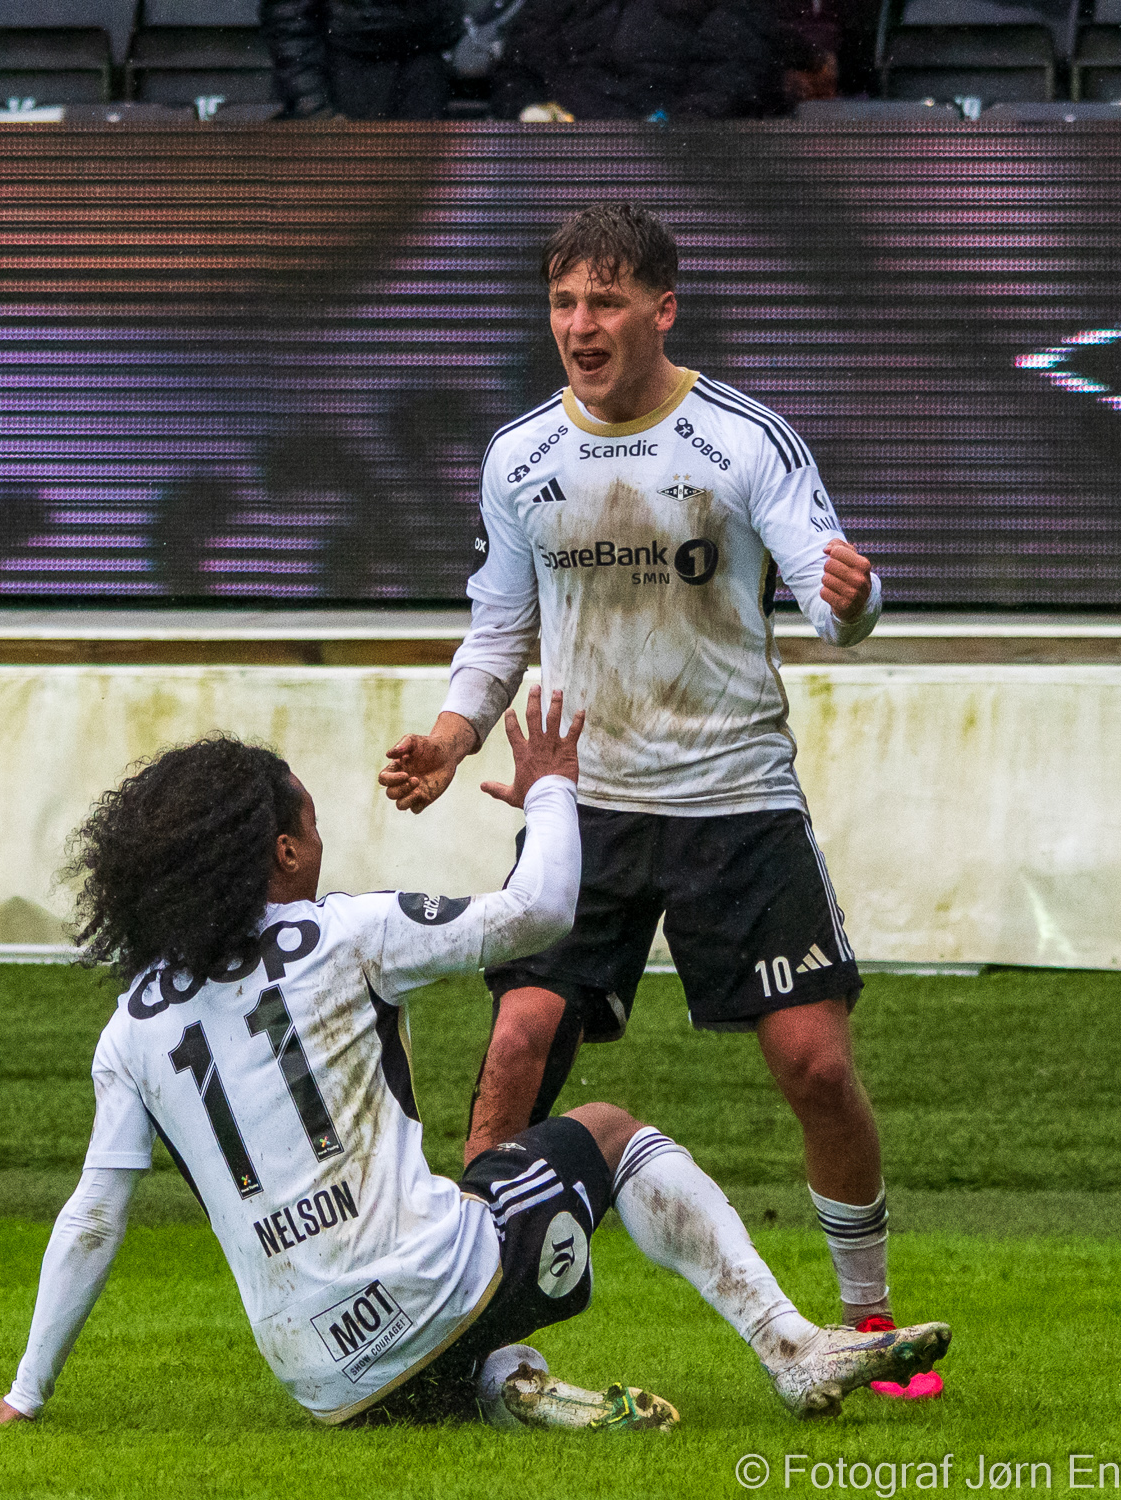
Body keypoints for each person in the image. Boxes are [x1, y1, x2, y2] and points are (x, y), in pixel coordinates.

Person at [0, 688, 949, 1434]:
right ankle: (791, 1347)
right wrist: (552, 794)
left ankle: (512, 1390)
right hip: (432, 1294)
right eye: (311, 824)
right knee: (608, 1132)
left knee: (457, 1235)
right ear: (282, 854)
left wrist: (22, 1397)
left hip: (319, 1378)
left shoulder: (132, 1025)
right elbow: (540, 911)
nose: (320, 841)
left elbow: (95, 1215)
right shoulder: (345, 933)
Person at [379, 202, 942, 1400]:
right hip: (584, 805)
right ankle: (461, 1329)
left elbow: (831, 595)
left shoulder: (745, 441)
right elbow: (499, 630)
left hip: (736, 799)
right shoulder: (521, 456)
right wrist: (450, 737)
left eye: (606, 301)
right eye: (563, 302)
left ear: (662, 310)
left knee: (817, 1068)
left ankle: (871, 1324)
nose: (580, 325)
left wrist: (856, 600)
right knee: (517, 1047)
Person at [490, 0, 786, 121]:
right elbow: (517, 67)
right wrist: (528, 108)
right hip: (566, 158)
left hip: (670, 160)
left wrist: (678, 128)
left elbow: (736, 75)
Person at [261, 0, 461, 119]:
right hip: (344, 80)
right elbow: (289, 23)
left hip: (421, 76)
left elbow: (449, 18)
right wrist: (315, 108)